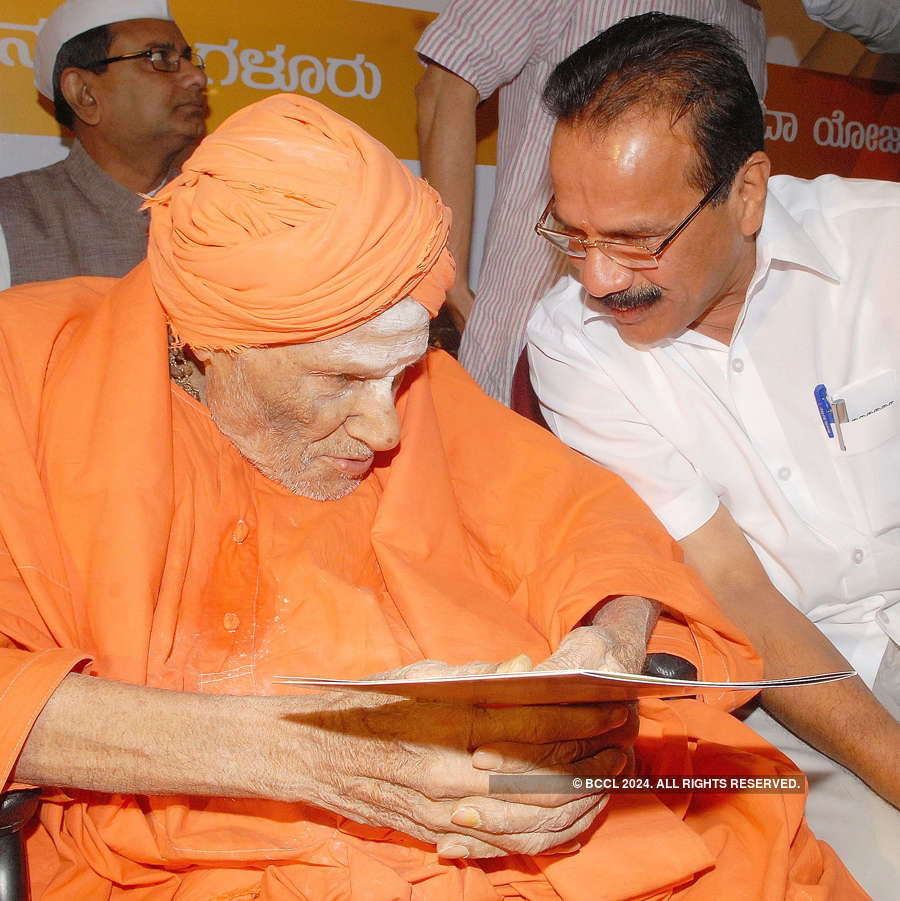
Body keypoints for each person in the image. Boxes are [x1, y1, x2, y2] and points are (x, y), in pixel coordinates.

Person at [0, 93, 865, 900]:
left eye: (400, 369)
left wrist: (603, 653)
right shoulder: (26, 375)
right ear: (210, 345)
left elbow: (591, 523)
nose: (384, 426)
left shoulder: (410, 381)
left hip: (506, 809)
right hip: (200, 841)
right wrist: (314, 753)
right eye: (339, 379)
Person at [526, 12, 900, 897]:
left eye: (635, 238)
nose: (597, 279)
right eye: (571, 233)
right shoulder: (573, 344)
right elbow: (736, 589)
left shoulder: (883, 248)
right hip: (804, 685)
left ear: (749, 194)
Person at [415, 0, 767, 404]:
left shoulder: (752, 21)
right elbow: (445, 87)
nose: (599, 279)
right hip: (524, 335)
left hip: (681, 380)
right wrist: (453, 286)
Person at [0, 0, 207, 289]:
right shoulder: (11, 219)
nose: (197, 77)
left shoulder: (230, 210)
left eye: (188, 58)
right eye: (159, 57)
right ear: (84, 94)